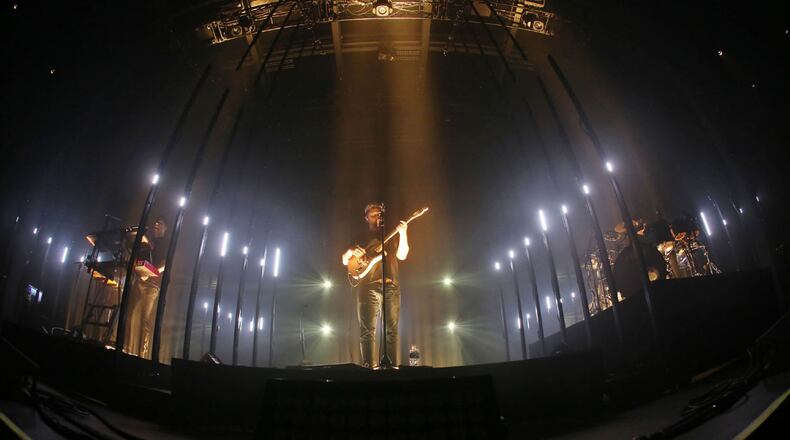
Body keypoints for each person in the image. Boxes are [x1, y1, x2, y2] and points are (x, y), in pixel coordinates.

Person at [341, 203, 410, 369]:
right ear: (366, 218)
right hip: (367, 287)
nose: (377, 216)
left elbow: (402, 255)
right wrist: (351, 251)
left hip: (391, 285)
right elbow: (344, 260)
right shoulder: (360, 237)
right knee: (367, 330)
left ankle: (392, 367)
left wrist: (403, 233)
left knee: (391, 330)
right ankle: (369, 368)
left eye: (379, 213)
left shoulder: (391, 234)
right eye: (373, 214)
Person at [123, 216, 167, 358]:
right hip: (140, 280)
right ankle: (125, 347)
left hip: (152, 285)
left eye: (160, 223)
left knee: (144, 319)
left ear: (165, 227)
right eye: (156, 222)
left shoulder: (166, 243)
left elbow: (164, 264)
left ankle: (142, 354)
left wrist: (150, 273)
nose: (156, 224)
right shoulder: (149, 242)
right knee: (127, 312)